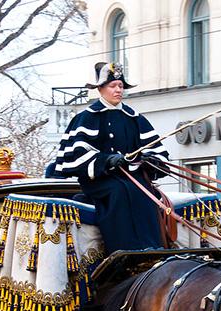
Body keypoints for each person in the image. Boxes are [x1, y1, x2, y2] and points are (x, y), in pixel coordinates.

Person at [52, 62, 169, 253]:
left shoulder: (135, 118)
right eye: (113, 86)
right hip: (100, 181)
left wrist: (150, 161)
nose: (118, 90)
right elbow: (76, 156)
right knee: (120, 190)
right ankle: (124, 250)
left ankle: (153, 246)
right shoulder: (86, 117)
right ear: (100, 89)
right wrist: (106, 161)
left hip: (133, 177)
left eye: (121, 86)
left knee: (144, 189)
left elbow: (158, 152)